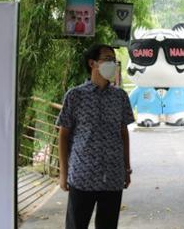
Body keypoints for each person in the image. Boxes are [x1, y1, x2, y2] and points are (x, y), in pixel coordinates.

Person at [56, 44, 135, 229]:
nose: (112, 64)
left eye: (114, 61)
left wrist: (127, 168)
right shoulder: (75, 96)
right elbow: (63, 136)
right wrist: (63, 174)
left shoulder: (120, 97)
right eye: (107, 59)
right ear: (92, 63)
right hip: (82, 176)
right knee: (76, 225)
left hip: (113, 176)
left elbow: (124, 134)